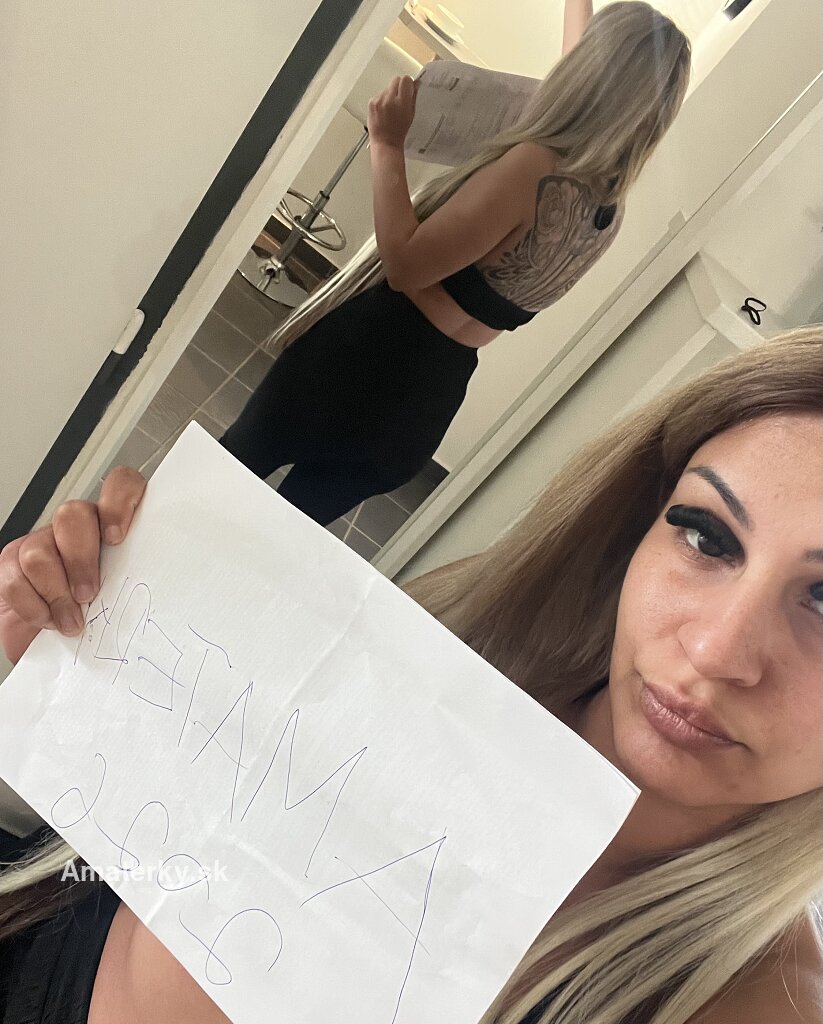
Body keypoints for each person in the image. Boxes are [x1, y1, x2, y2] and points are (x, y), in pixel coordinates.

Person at [0, 324, 821, 1023]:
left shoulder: (754, 1003)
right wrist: (71, 647)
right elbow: (84, 865)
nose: (715, 652)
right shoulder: (450, 651)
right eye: (705, 536)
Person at [219, 1, 692, 526]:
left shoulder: (534, 165)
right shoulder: (607, 212)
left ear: (590, 71)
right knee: (276, 534)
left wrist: (386, 142)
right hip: (424, 406)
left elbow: (405, 266)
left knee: (216, 480)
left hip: (363, 361)